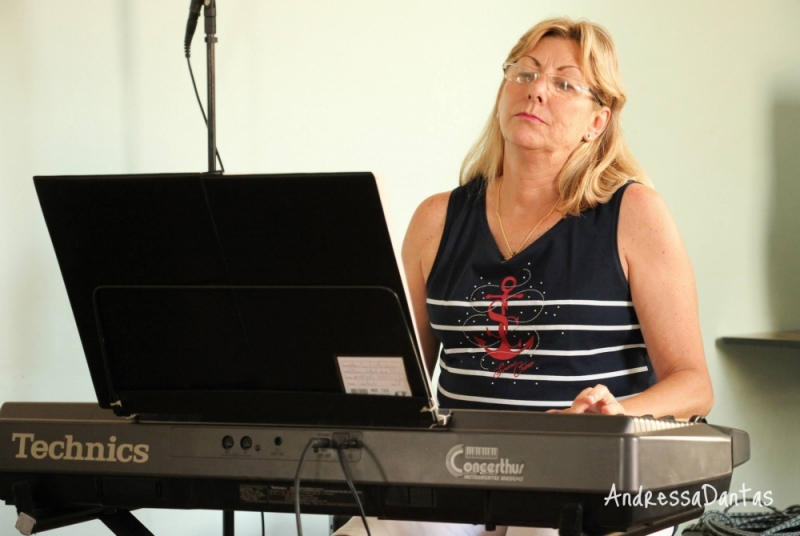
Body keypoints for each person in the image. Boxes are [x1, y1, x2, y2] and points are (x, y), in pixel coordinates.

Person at [335, 16, 712, 536]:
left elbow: (694, 385)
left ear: (596, 122)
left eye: (563, 83)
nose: (536, 91)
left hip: (591, 475)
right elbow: (402, 381)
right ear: (502, 89)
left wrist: (616, 410)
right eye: (525, 73)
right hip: (459, 474)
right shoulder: (435, 220)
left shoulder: (634, 214)